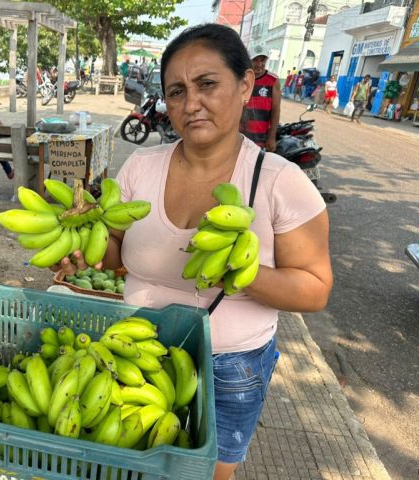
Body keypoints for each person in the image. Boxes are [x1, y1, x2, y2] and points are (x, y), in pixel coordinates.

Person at [56, 23, 332, 480]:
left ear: (245, 85)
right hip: (136, 348)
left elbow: (315, 289)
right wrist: (82, 253)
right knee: (129, 467)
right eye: (177, 91)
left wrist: (243, 273)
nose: (191, 104)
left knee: (204, 475)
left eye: (207, 84)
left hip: (232, 367)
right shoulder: (141, 167)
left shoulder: (283, 182)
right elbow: (116, 251)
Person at [240, 45, 281, 151]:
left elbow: (275, 111)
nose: (259, 64)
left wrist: (271, 137)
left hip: (260, 137)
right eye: (255, 60)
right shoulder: (241, 77)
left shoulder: (273, 80)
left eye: (262, 60)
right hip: (239, 133)